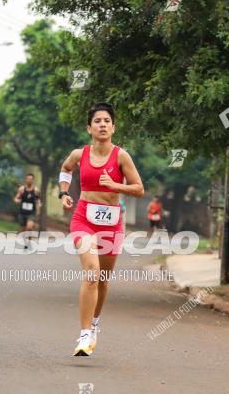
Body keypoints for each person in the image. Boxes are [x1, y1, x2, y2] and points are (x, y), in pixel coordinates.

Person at [58, 102, 144, 356]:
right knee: (92, 272)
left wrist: (116, 186)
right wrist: (63, 193)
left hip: (111, 223)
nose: (103, 124)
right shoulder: (79, 154)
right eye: (97, 121)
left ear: (113, 127)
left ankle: (94, 324)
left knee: (103, 280)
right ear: (89, 128)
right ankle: (84, 333)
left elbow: (139, 188)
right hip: (84, 218)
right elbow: (65, 169)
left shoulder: (121, 156)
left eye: (107, 121)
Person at [14, 173, 40, 248]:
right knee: (24, 229)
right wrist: (16, 200)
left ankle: (28, 242)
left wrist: (39, 206)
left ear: (33, 180)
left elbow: (38, 199)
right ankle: (26, 242)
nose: (29, 180)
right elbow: (17, 197)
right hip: (23, 212)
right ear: (26, 180)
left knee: (29, 227)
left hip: (32, 212)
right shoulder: (22, 189)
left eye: (31, 179)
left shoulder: (35, 190)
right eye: (28, 179)